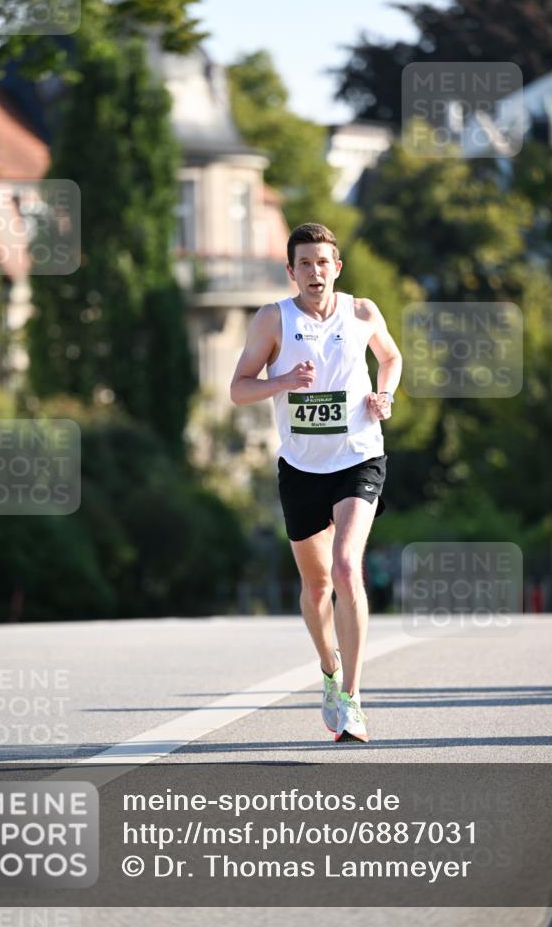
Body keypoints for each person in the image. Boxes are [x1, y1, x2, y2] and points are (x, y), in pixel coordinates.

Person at [230, 222, 402, 742]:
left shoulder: (362, 312)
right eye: (304, 263)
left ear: (337, 268)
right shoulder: (273, 320)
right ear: (291, 272)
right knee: (317, 584)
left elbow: (390, 358)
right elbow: (239, 388)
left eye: (322, 262)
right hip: (302, 468)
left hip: (358, 457)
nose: (314, 271)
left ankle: (351, 697)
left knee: (348, 568)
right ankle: (328, 670)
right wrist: (283, 382)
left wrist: (384, 396)